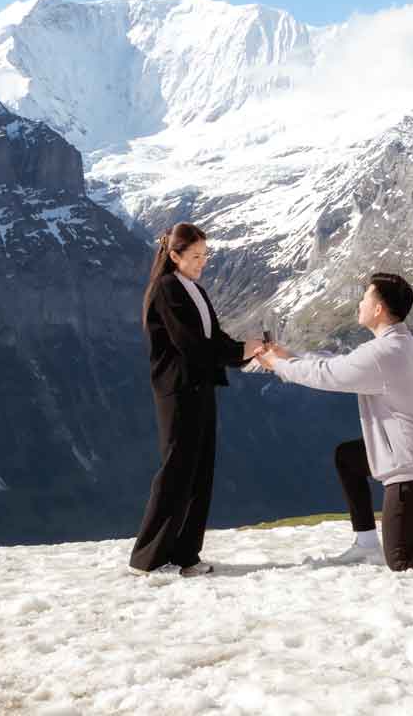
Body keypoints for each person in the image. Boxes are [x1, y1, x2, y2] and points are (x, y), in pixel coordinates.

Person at [250, 272, 413, 572]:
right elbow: (339, 364)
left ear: (378, 309)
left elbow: (328, 375)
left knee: (403, 559)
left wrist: (279, 365)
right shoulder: (397, 342)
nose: (359, 302)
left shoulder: (385, 353)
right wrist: (290, 356)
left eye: (365, 297)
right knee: (348, 458)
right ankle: (365, 541)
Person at [128, 222, 249, 576]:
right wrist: (240, 351)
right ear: (175, 255)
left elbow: (215, 337)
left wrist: (247, 350)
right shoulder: (167, 289)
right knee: (177, 470)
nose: (202, 262)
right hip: (178, 390)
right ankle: (147, 559)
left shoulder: (193, 289)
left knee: (199, 472)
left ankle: (186, 555)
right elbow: (192, 344)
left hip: (200, 388)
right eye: (196, 256)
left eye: (205, 255)